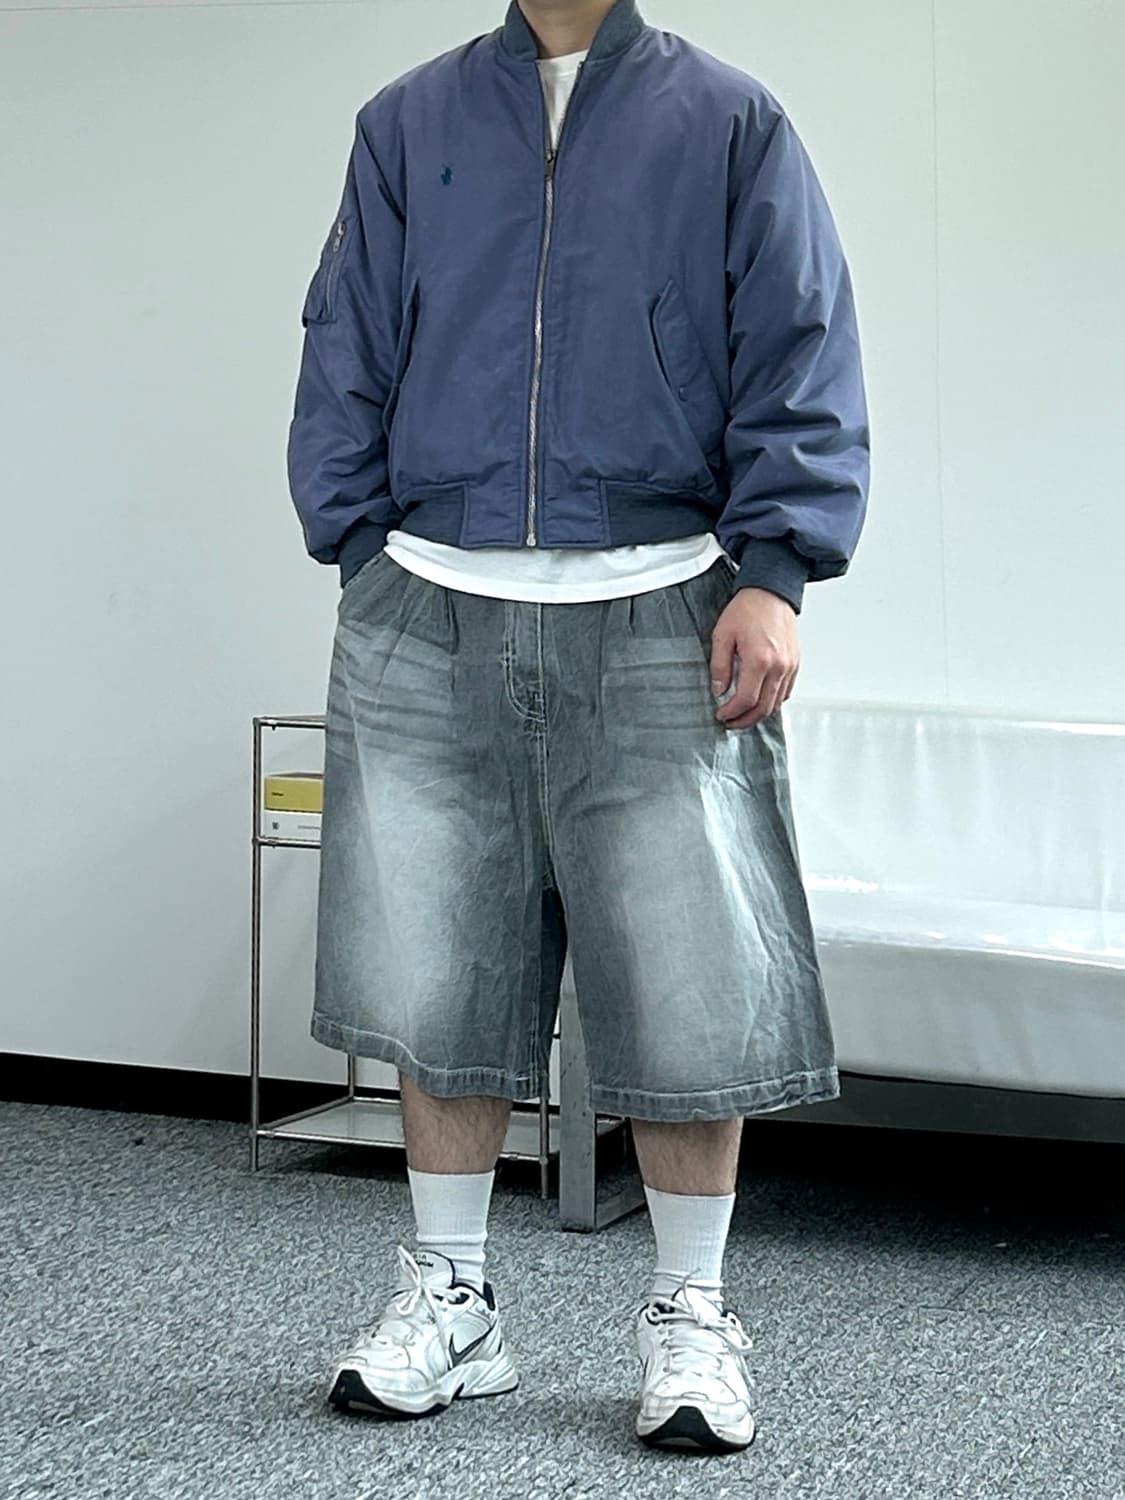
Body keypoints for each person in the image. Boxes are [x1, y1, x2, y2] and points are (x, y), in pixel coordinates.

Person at [286, 0, 869, 1456]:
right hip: (430, 601)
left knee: (688, 976)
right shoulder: (406, 122)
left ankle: (690, 1313)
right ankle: (453, 1298)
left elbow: (798, 340)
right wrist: (359, 549)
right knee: (437, 967)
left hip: (666, 601)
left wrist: (775, 570)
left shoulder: (729, 120)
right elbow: (345, 333)